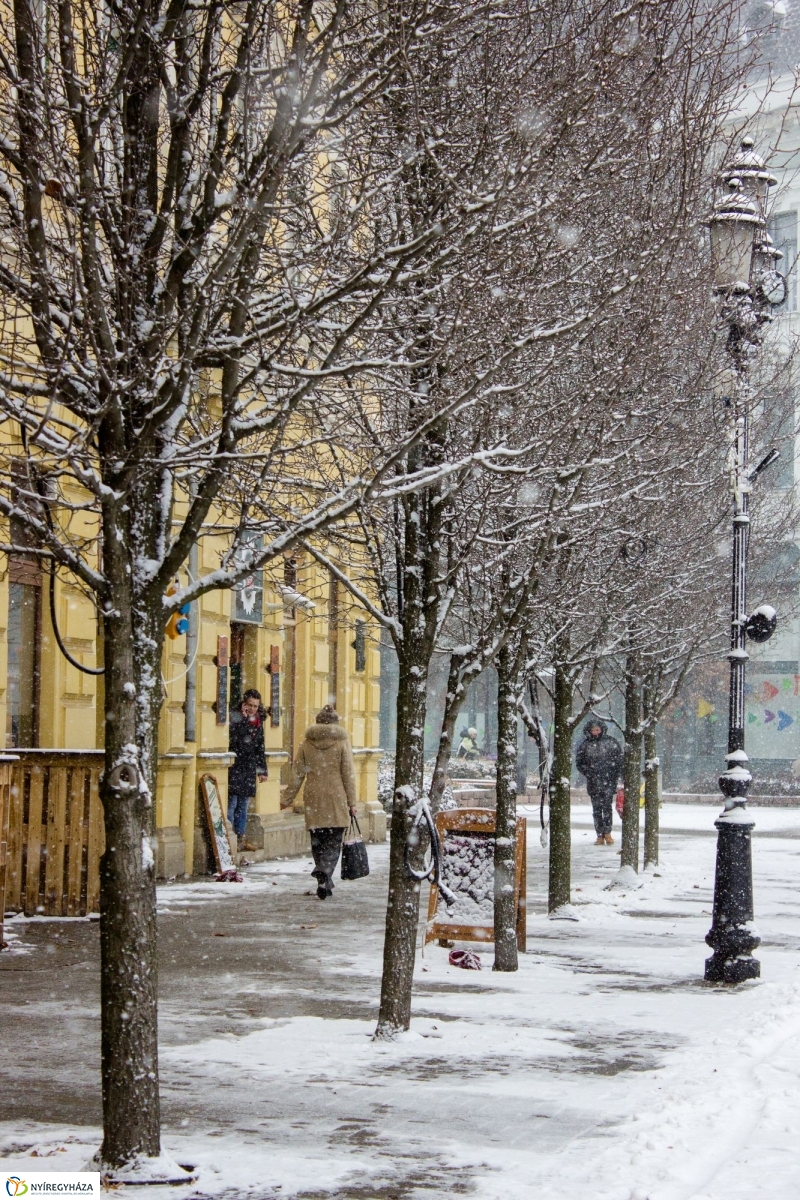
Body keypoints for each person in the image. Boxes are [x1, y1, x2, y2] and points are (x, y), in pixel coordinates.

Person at [280, 704, 357, 899]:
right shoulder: (342, 742)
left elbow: (297, 774)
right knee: (333, 840)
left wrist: (287, 798)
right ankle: (324, 872)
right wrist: (352, 802)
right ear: (335, 723)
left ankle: (323, 880)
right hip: (336, 796)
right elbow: (348, 774)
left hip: (313, 797)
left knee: (318, 839)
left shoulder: (306, 744)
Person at [227, 689, 268, 851]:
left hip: (248, 768)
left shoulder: (258, 722)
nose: (252, 709)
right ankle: (230, 840)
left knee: (243, 805)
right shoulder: (235, 719)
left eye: (255, 706)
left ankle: (240, 838)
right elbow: (237, 741)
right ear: (243, 704)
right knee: (232, 803)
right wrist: (243, 720)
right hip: (235, 767)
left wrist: (262, 770)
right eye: (249, 705)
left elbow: (259, 748)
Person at [576, 718, 623, 846]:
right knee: (596, 809)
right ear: (589, 731)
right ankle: (599, 835)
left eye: (598, 729)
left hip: (609, 781)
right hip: (593, 782)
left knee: (607, 807)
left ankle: (607, 832)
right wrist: (589, 772)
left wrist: (615, 774)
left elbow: (619, 760)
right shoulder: (585, 745)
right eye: (593, 730)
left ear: (602, 730)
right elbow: (579, 763)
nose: (596, 732)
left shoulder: (611, 742)